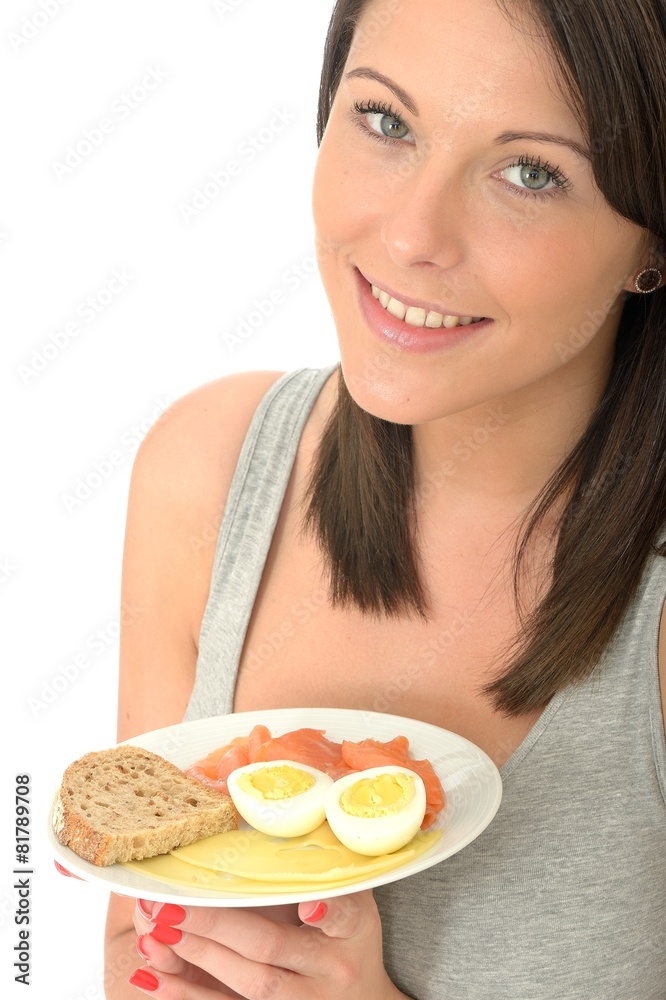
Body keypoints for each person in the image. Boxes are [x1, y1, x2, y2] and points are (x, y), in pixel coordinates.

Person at [98, 0, 666, 996]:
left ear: (651, 240)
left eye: (531, 172)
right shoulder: (207, 473)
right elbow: (130, 936)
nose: (411, 236)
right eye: (386, 120)